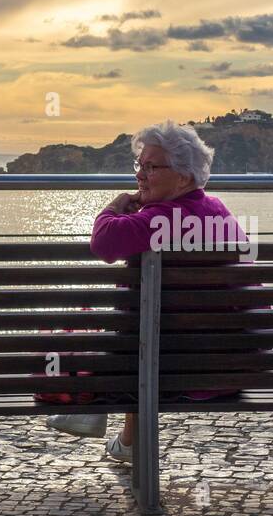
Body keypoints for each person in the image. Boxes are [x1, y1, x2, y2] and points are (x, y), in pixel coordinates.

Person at [86, 121, 252, 464]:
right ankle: (129, 439)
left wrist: (115, 205)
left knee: (135, 326)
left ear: (184, 177)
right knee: (146, 317)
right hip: (229, 367)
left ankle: (93, 414)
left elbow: (103, 243)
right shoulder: (220, 213)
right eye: (139, 165)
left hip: (165, 371)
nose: (140, 176)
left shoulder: (154, 221)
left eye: (152, 167)